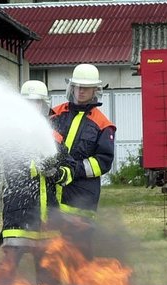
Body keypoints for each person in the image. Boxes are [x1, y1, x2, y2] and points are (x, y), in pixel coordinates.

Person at [0, 80, 61, 285]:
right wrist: (39, 167)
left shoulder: (52, 135)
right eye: (28, 102)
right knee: (8, 273)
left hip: (48, 218)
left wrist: (60, 172)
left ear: (43, 105)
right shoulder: (10, 133)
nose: (32, 107)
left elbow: (67, 164)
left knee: (48, 278)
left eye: (36, 102)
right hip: (18, 216)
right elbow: (13, 166)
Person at [49, 63, 116, 258]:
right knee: (53, 251)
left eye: (85, 88)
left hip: (81, 198)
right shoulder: (55, 113)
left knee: (78, 252)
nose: (80, 91)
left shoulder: (103, 125)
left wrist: (73, 170)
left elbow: (102, 162)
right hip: (53, 196)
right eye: (77, 86)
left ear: (96, 90)